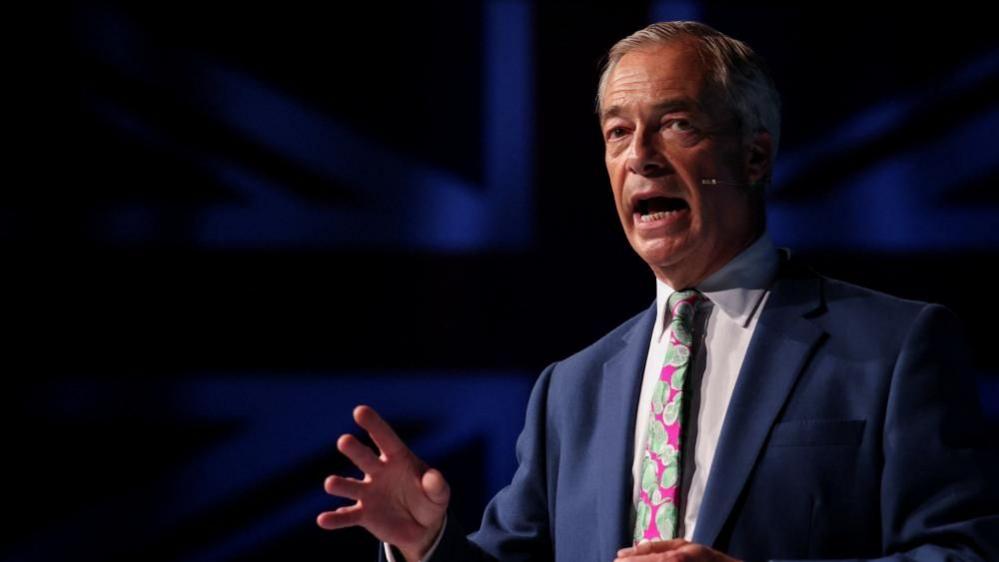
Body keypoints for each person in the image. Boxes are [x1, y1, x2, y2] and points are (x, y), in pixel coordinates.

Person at [316, 21, 999, 562]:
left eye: (676, 124)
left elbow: (964, 553)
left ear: (754, 155)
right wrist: (425, 545)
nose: (639, 154)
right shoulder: (570, 390)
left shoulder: (894, 345)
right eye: (617, 131)